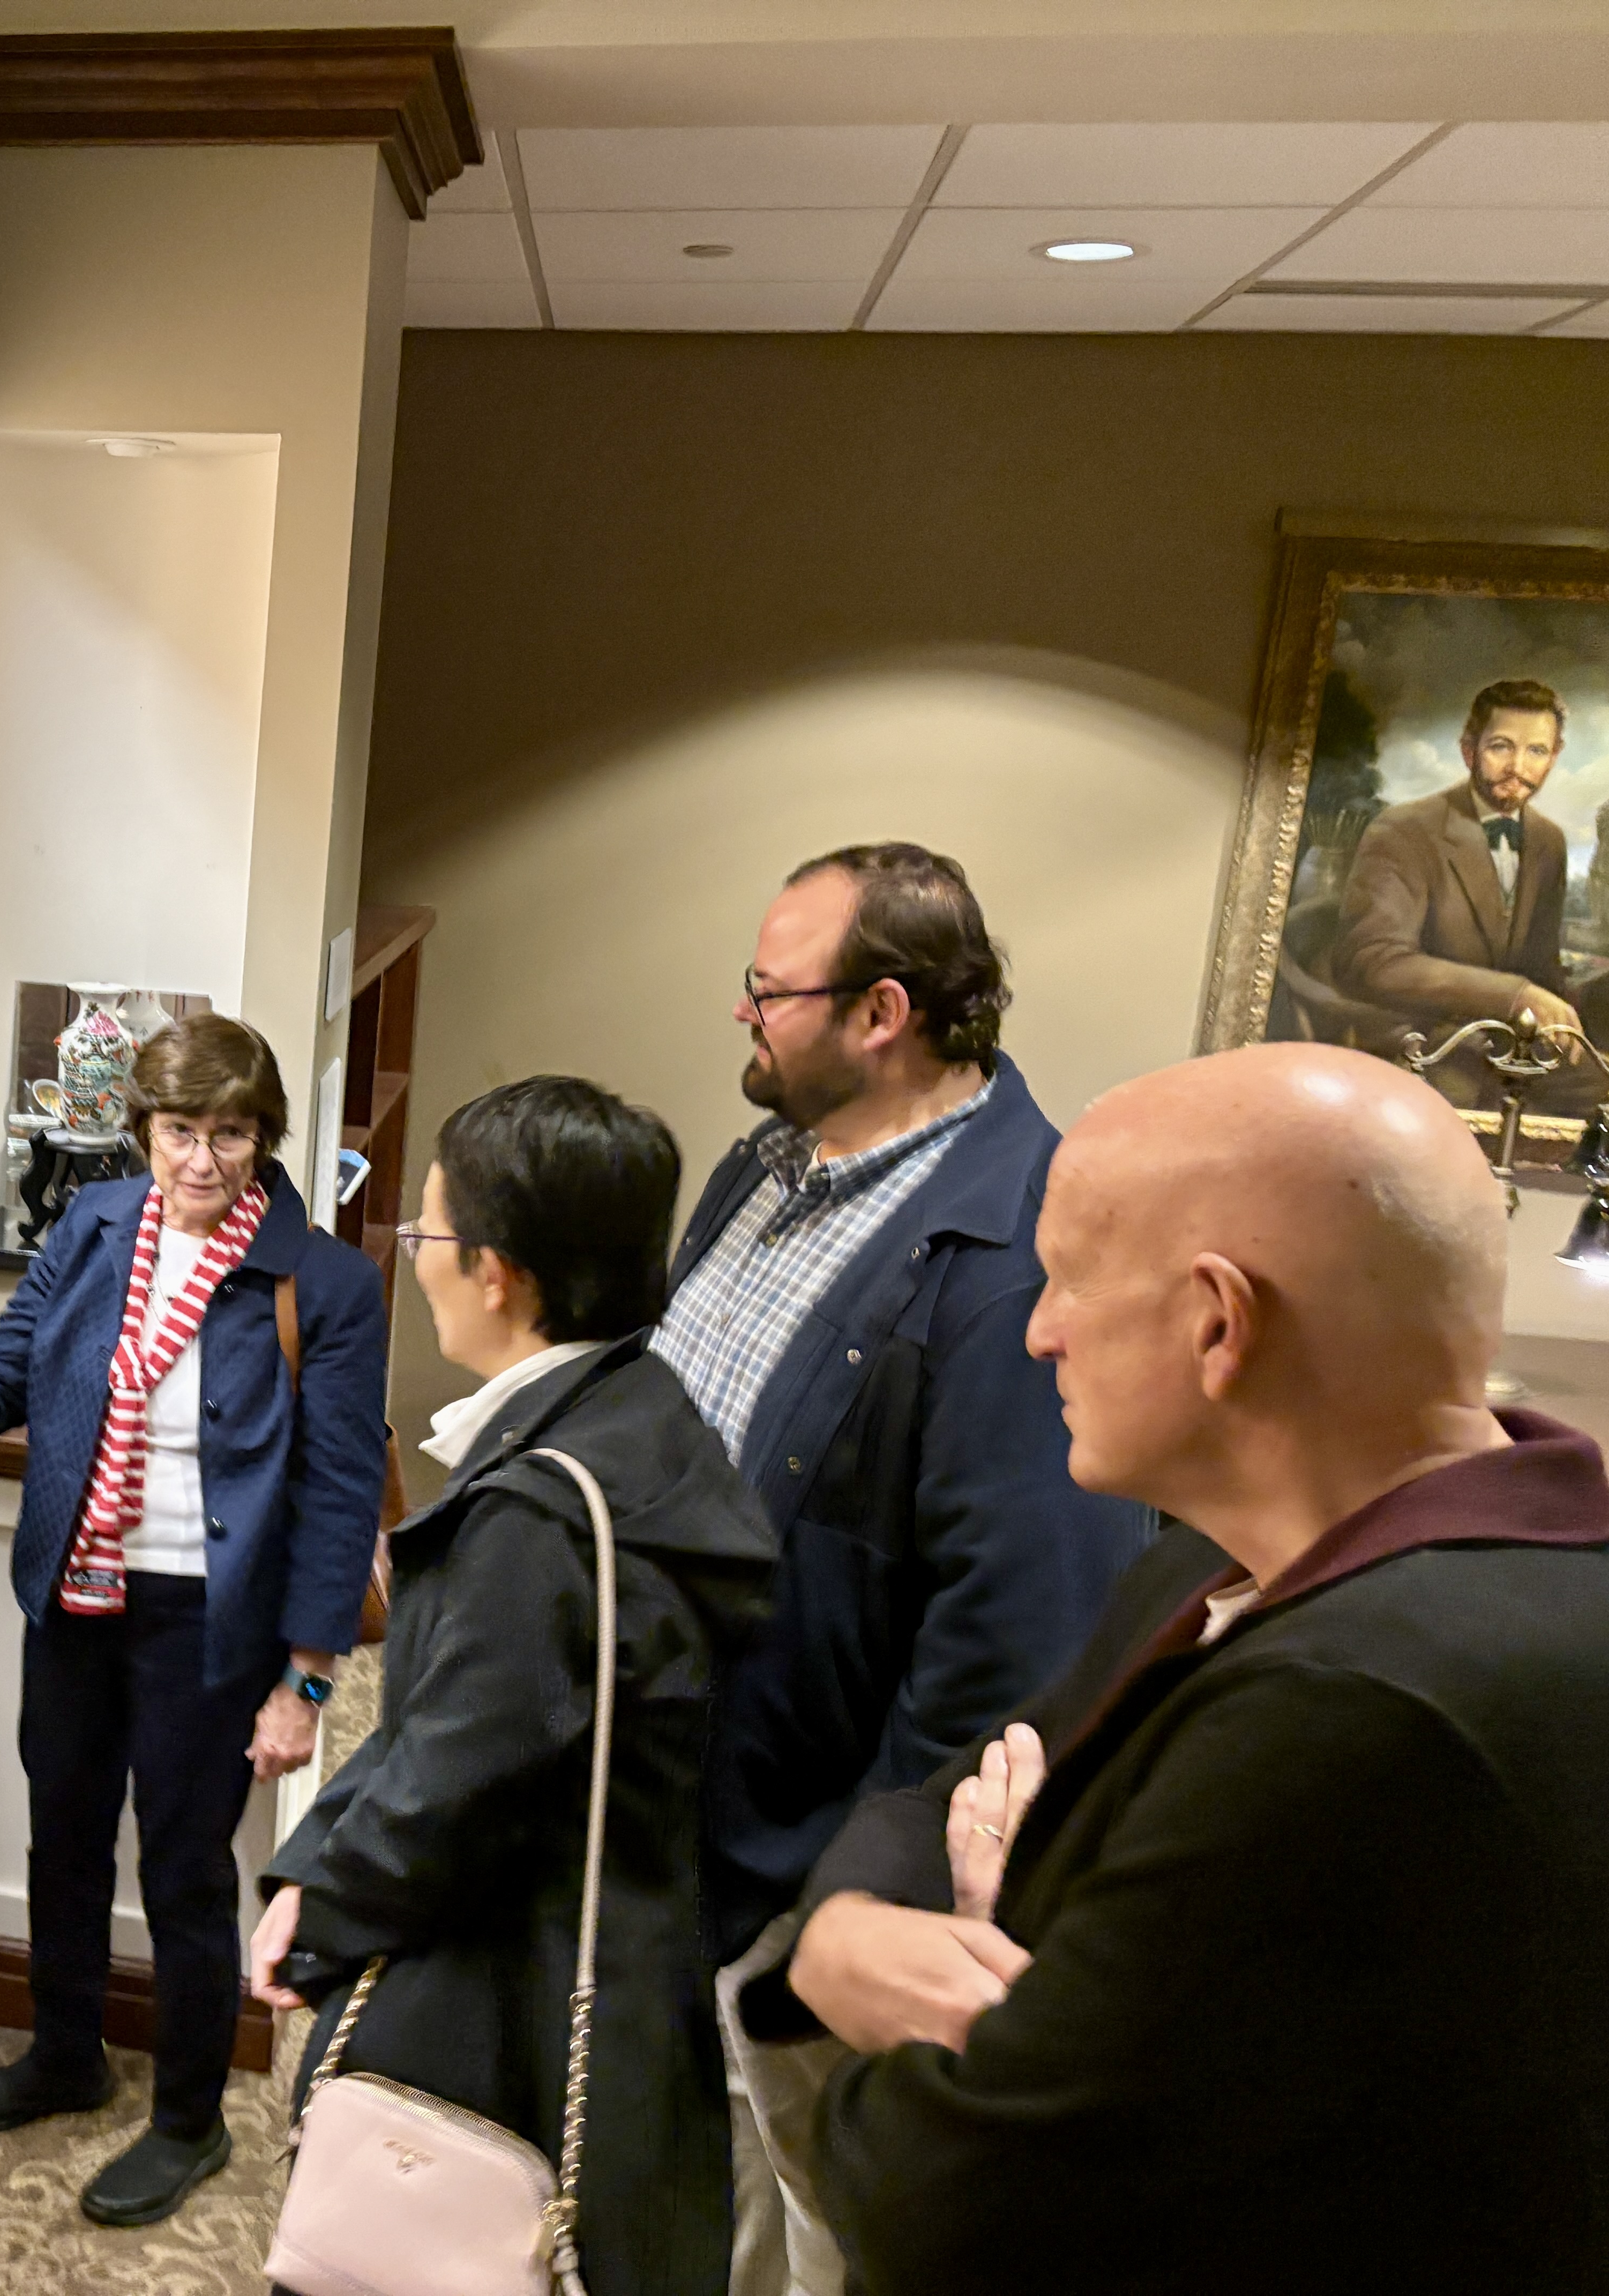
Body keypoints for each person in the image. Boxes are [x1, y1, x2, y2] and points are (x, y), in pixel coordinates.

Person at [794, 1043, 1609, 2294]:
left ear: (1219, 1322)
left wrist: (983, 1938)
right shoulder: (1210, 1568)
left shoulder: (1363, 1702)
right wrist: (840, 1934)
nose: (1039, 1332)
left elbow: (946, 2199)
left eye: (1066, 1279)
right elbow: (947, 1794)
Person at [0, 1013, 388, 2227]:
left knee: (185, 1868)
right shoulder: (96, 1229)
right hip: (75, 1596)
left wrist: (301, 1685)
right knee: (62, 1831)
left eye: (231, 1135)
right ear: (141, 1132)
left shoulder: (325, 1282)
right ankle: (67, 2051)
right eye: (177, 1132)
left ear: (264, 1137)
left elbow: (335, 1497)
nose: (202, 1161)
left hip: (211, 1623)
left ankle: (191, 2118)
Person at [647, 843, 1150, 2293]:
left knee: (758, 2237)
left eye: (769, 990)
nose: (745, 1014)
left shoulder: (1012, 1260)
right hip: (668, 1819)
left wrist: (847, 1914)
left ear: (882, 1012)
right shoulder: (764, 1158)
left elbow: (1013, 1647)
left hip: (787, 1882)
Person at [248, 1077, 778, 2296]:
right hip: (637, 1952)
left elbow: (450, 1782)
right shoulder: (642, 1408)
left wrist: (317, 1910)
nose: (415, 1259)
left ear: (500, 1274)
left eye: (429, 1234)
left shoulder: (533, 1522)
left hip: (517, 1994)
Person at [1335, 677, 1578, 1038]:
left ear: (1554, 757)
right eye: (1501, 747)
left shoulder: (1549, 840)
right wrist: (1512, 995)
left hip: (1519, 1048)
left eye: (1537, 751)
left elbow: (1544, 970)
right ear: (1469, 750)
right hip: (1422, 1044)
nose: (1518, 767)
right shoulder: (1403, 830)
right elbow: (1374, 963)